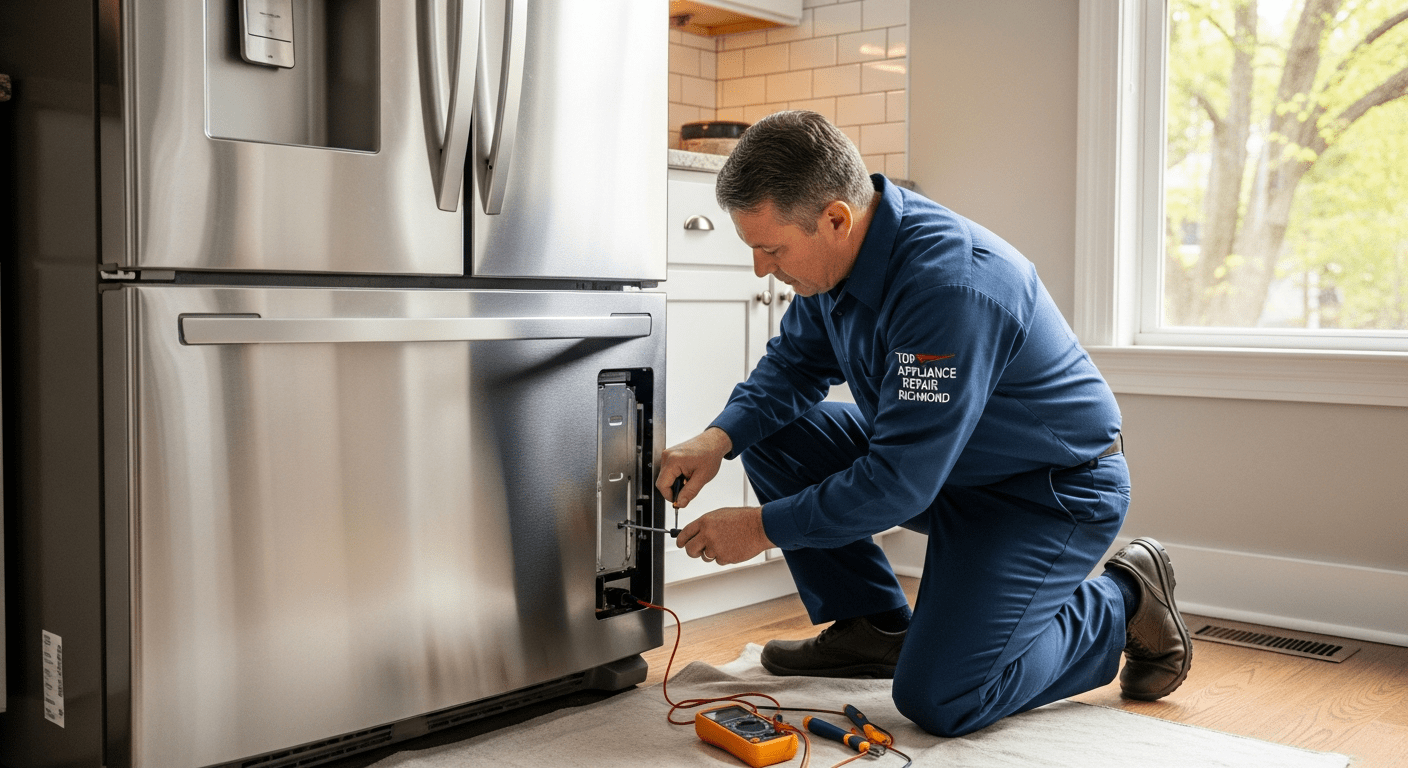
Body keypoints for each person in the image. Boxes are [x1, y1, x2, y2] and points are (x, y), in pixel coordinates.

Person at [656, 110, 1191, 737]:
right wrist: (715, 440)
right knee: (771, 434)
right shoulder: (833, 264)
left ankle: (1123, 602)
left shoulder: (950, 287)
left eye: (771, 249)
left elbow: (897, 483)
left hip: (1044, 493)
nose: (760, 269)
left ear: (835, 218)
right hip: (949, 472)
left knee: (942, 698)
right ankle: (872, 626)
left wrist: (762, 527)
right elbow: (794, 367)